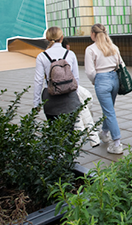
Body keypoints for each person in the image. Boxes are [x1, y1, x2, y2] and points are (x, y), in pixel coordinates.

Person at [85, 24, 124, 154]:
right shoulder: (113, 47)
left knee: (109, 111)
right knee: (109, 108)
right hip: (114, 79)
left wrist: (94, 81)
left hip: (101, 80)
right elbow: (121, 64)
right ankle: (105, 133)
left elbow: (90, 72)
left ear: (93, 34)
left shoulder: (91, 49)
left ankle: (117, 144)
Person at [33, 26, 81, 121]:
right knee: (70, 130)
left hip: (50, 97)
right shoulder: (70, 54)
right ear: (62, 37)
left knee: (54, 130)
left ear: (47, 38)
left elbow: (38, 81)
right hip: (69, 96)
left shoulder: (42, 56)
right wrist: (75, 95)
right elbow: (76, 77)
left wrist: (36, 103)